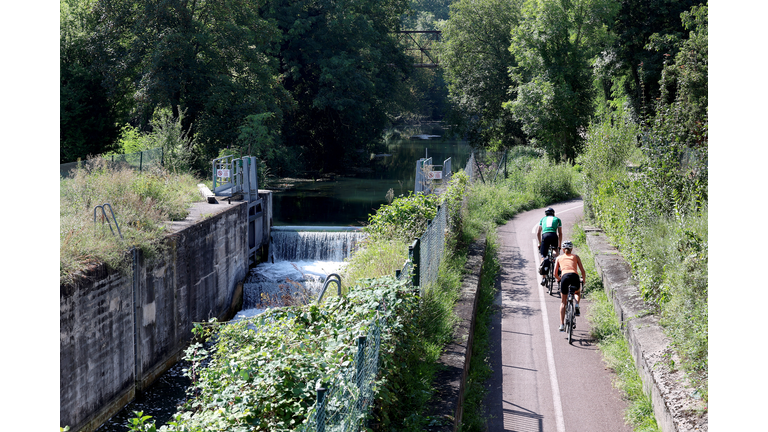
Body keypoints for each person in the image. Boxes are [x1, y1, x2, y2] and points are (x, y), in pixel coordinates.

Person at [553, 241, 586, 331]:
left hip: (564, 277)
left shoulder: (559, 258)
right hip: (575, 276)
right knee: (577, 292)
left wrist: (559, 278)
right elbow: (582, 271)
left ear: (563, 250)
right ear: (571, 249)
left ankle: (562, 325)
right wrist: (584, 280)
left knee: (563, 302)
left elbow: (555, 273)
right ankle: (577, 305)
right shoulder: (576, 257)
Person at [536, 207, 562, 286]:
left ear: (545, 214)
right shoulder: (557, 219)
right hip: (553, 236)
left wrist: (540, 243)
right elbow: (560, 233)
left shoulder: (542, 219)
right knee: (555, 252)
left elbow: (538, 232)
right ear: (554, 213)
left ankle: (544, 277)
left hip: (545, 236)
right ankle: (557, 267)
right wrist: (559, 246)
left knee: (543, 256)